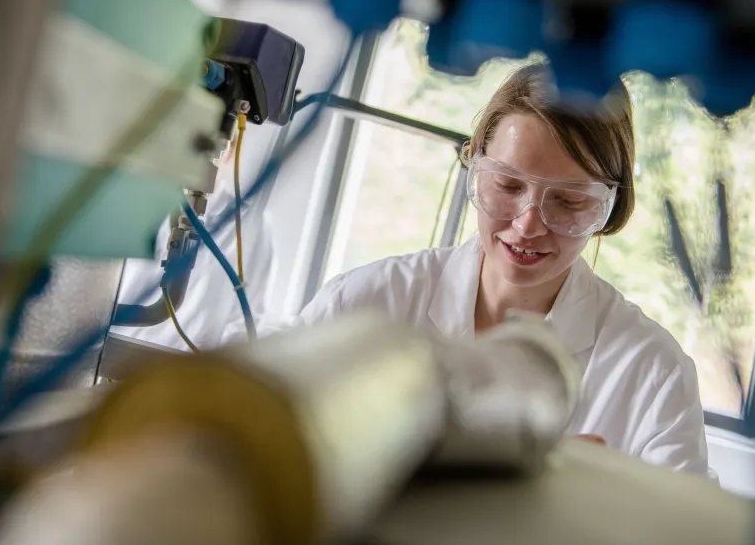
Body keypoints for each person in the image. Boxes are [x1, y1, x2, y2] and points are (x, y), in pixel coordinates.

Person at [237, 63, 709, 473]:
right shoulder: (363, 305)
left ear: (609, 208)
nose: (527, 226)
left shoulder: (654, 374)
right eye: (506, 185)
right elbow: (261, 439)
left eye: (568, 201)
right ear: (474, 167)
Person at [111, 143, 276, 351]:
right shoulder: (132, 195)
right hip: (107, 352)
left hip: (177, 367)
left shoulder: (252, 226)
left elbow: (244, 324)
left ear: (232, 149)